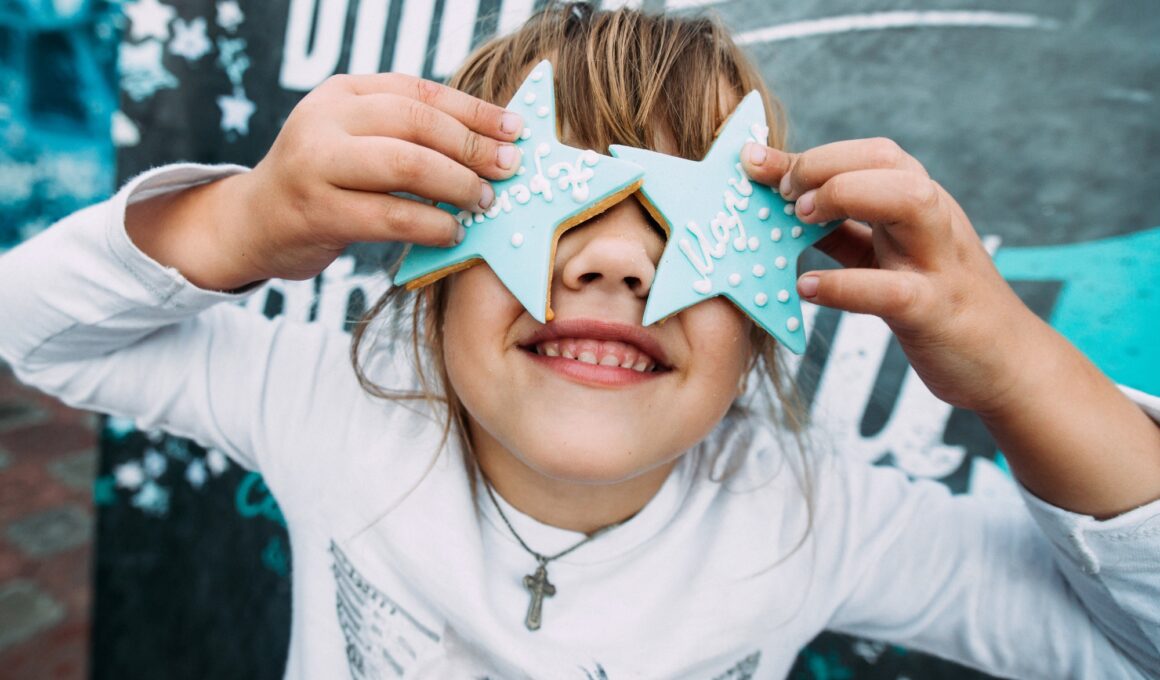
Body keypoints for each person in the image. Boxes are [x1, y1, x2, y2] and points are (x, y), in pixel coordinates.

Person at [1, 3, 1158, 678]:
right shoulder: (328, 400)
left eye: (688, 224)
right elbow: (39, 332)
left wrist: (1013, 367)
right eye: (544, 205)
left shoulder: (817, 515)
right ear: (429, 285)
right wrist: (244, 218)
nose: (612, 261)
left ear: (764, 336)